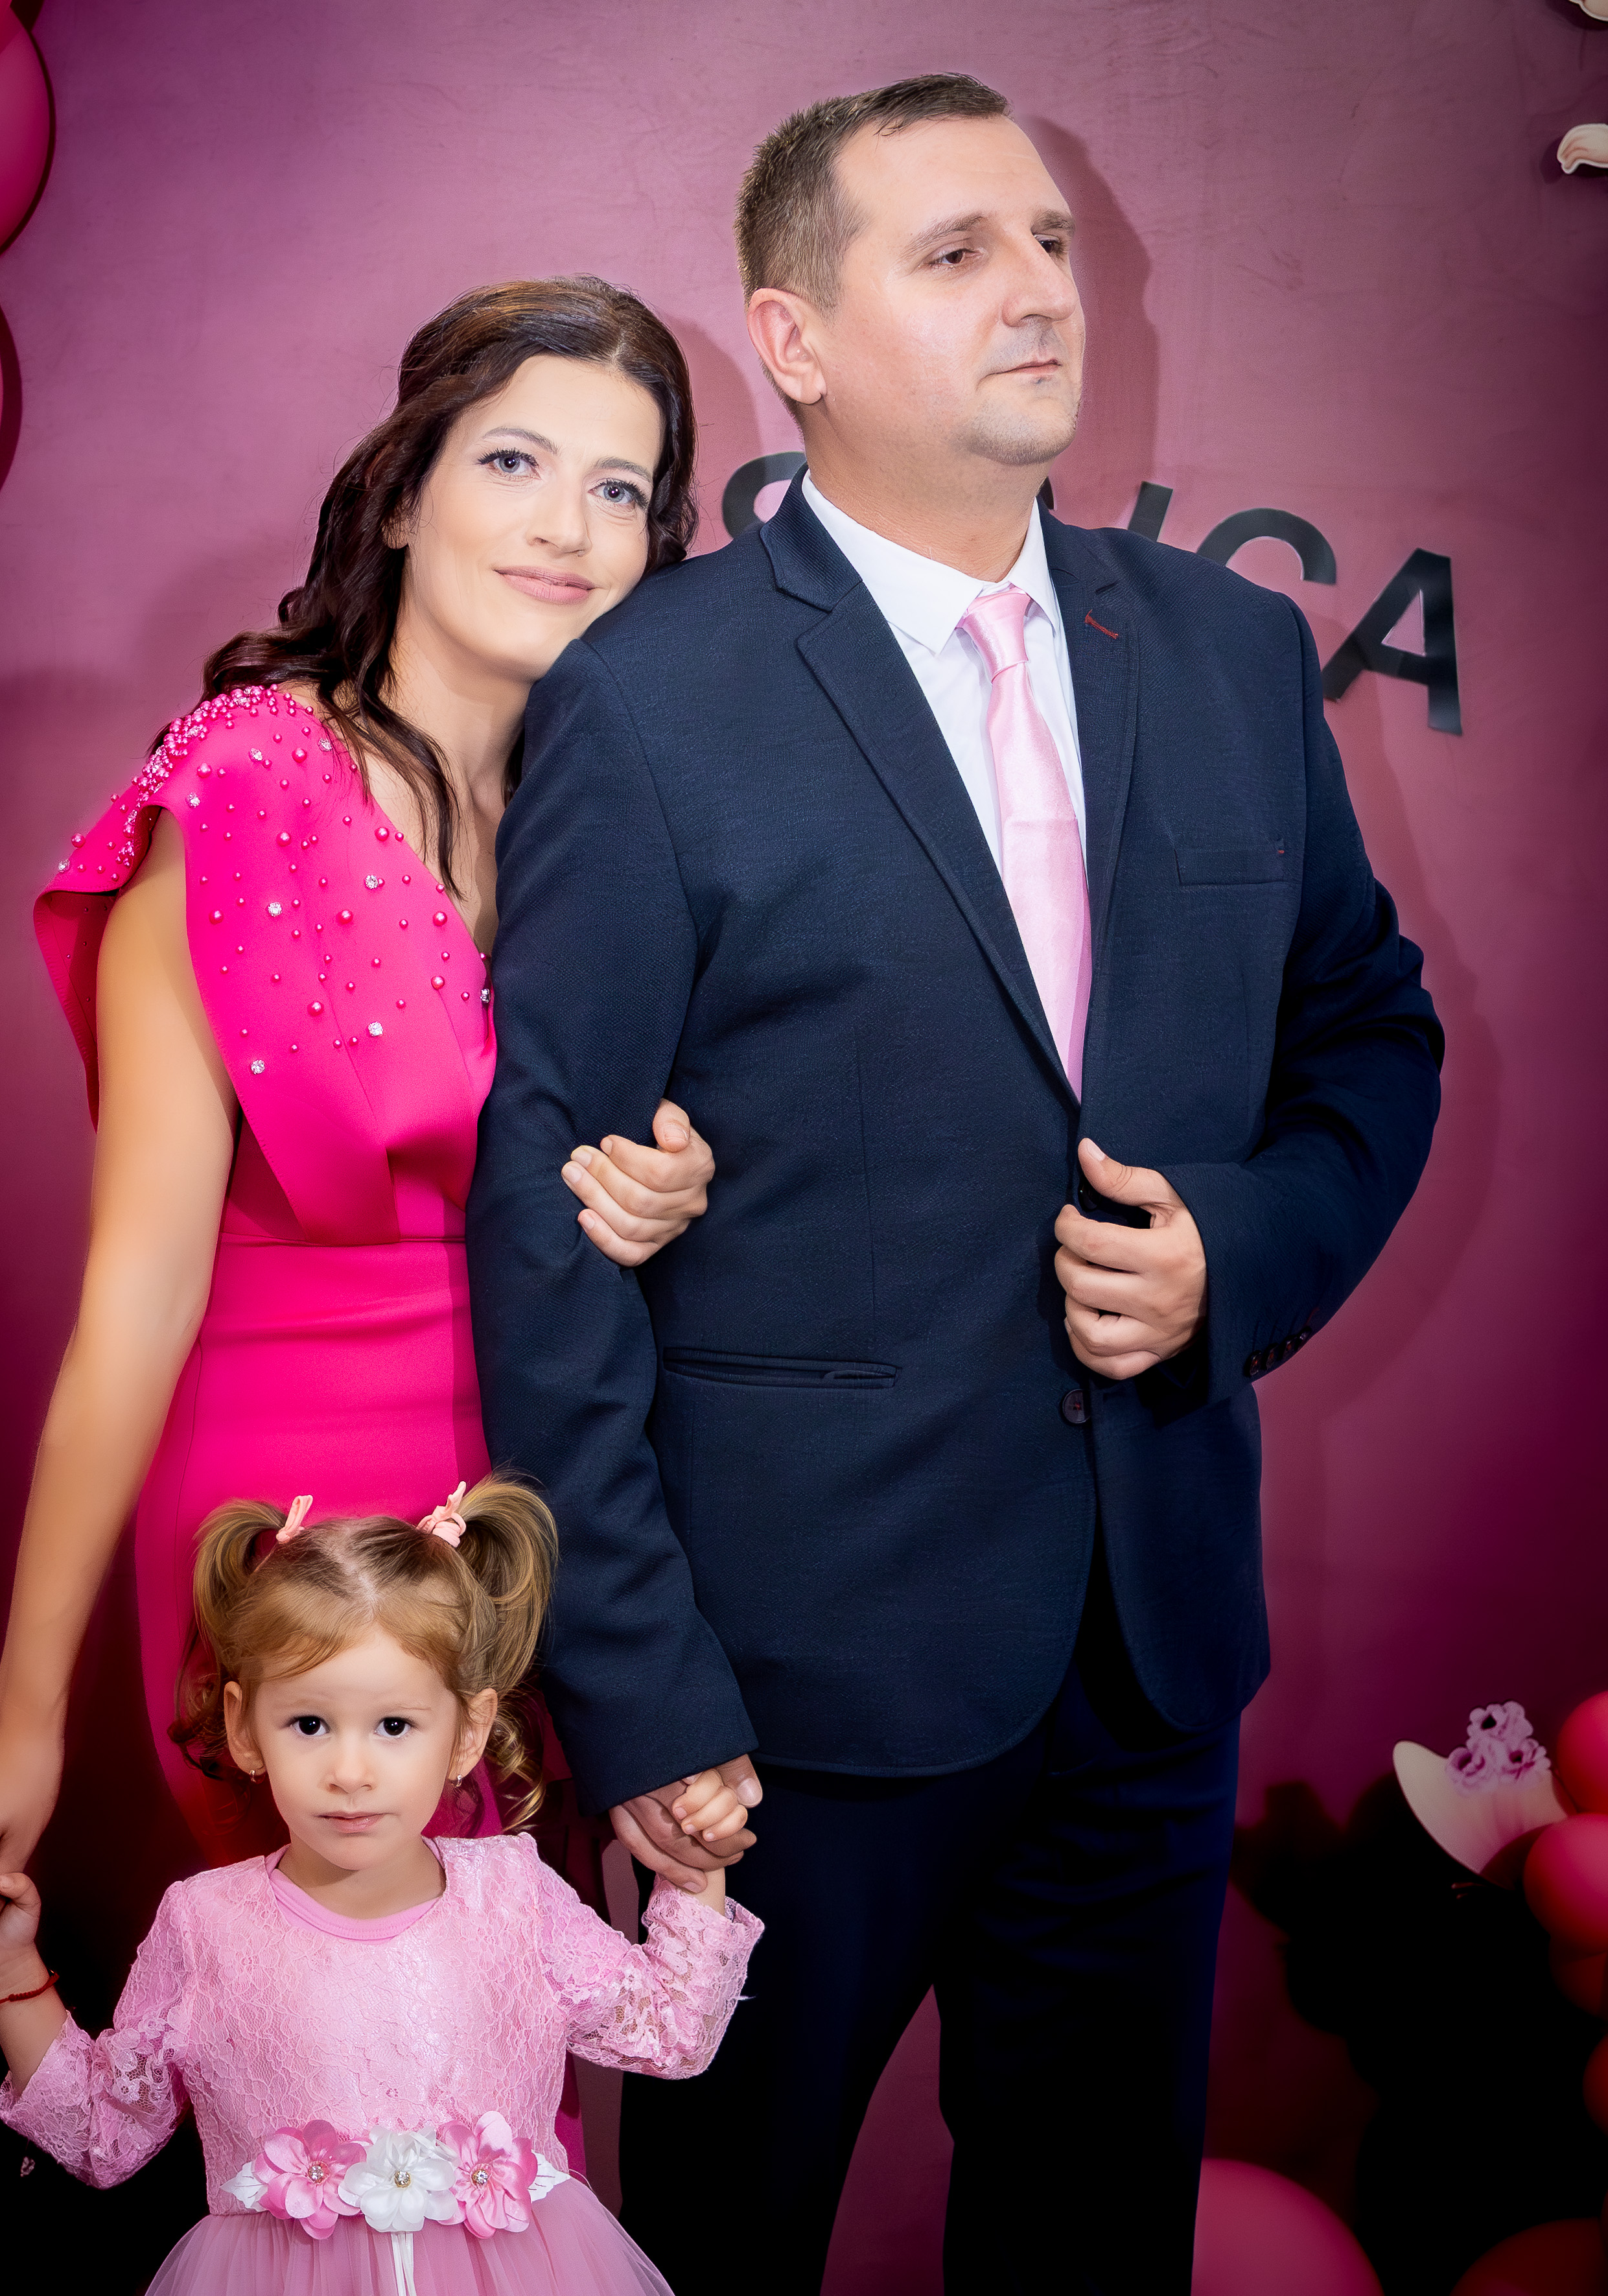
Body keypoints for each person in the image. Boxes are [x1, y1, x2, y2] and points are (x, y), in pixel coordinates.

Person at [467, 75, 1444, 2293]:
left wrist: (1230, 1254)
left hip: (1150, 1661)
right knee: (725, 2248)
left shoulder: (1226, 651)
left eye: (1051, 243)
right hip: (780, 1704)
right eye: (956, 251)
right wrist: (641, 1690)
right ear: (791, 338)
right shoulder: (646, 696)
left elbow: (1368, 1039)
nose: (1038, 291)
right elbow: (550, 1216)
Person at [0, 279, 754, 1961]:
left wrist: (674, 1174)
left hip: (557, 1503)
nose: (565, 527)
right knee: (341, 2044)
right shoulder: (243, 786)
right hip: (303, 1524)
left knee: (514, 2047)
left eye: (619, 487)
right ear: (404, 491)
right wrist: (21, 1716)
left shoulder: (618, 808)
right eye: (513, 461)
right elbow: (136, 1295)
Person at [0, 1477, 762, 2296]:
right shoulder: (205, 1922)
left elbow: (672, 2033)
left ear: (466, 1731)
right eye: (309, 1723)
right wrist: (7, 1968)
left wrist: (696, 1861)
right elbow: (103, 2137)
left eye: (394, 1725)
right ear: (244, 1726)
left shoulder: (513, 1894)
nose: (349, 1770)